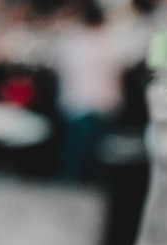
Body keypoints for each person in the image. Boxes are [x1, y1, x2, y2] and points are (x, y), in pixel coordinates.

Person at [50, 0, 126, 183]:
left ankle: (70, 181)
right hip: (103, 105)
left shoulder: (71, 41)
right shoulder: (112, 42)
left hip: (77, 105)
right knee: (95, 151)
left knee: (76, 150)